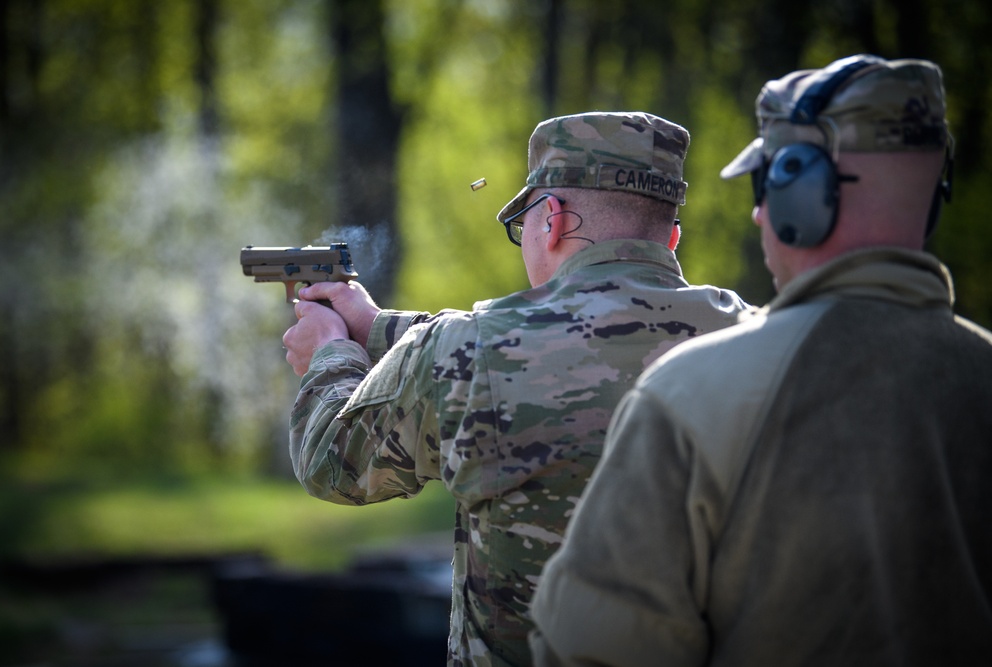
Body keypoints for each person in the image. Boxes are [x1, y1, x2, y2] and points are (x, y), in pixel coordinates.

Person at [529, 56, 992, 666]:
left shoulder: (693, 393)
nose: (757, 211)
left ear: (800, 190)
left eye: (764, 185)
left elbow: (593, 653)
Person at [281, 111, 749, 666]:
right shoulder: (758, 336)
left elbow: (332, 463)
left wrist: (330, 353)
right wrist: (376, 325)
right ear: (671, 235)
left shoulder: (469, 352)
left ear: (550, 219)